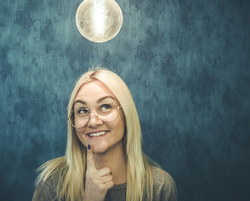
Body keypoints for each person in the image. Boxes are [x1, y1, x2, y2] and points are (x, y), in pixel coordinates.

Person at [32, 68, 177, 201]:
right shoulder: (53, 183)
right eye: (82, 110)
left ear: (126, 115)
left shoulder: (159, 187)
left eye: (106, 106)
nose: (93, 122)